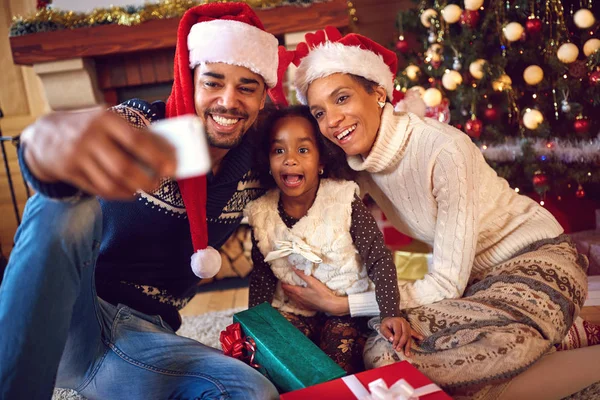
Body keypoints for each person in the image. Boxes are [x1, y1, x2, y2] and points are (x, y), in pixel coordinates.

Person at [274, 27, 597, 399]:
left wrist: (339, 303)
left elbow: (445, 285)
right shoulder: (355, 162)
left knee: (424, 367)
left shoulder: (443, 150)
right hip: (479, 283)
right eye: (319, 112)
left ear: (378, 93)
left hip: (538, 262)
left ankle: (574, 348)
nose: (332, 120)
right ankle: (551, 342)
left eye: (342, 98)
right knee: (386, 350)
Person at [0, 3, 281, 399]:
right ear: (189, 82)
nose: (228, 101)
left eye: (246, 88)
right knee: (65, 203)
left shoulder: (257, 163)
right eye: (213, 82)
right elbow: (67, 150)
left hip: (143, 342)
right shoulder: (139, 127)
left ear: (263, 97)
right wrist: (44, 143)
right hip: (72, 317)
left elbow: (321, 157)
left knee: (251, 390)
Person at [244, 106, 422, 373]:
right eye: (279, 150)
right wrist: (254, 326)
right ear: (267, 161)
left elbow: (379, 258)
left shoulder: (344, 201)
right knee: (278, 358)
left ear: (322, 160)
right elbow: (262, 276)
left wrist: (390, 312)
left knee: (337, 357)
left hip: (346, 310)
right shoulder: (261, 213)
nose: (290, 159)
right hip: (294, 309)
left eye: (303, 150)